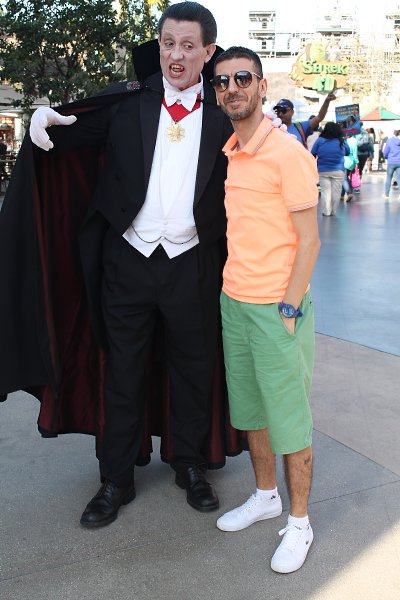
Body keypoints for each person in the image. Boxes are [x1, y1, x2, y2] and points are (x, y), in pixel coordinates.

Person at [2, 2, 249, 529]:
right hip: (129, 262)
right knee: (122, 371)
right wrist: (45, 118)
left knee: (193, 368)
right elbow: (71, 132)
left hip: (194, 263)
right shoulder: (128, 102)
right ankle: (115, 478)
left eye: (188, 46)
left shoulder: (226, 115)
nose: (176, 55)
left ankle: (189, 464)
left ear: (208, 52)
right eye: (167, 43)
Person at [210, 46, 320, 574]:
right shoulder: (233, 150)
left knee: (290, 420)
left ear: (261, 84)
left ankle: (299, 523)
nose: (232, 88)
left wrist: (290, 307)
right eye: (222, 81)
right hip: (235, 301)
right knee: (252, 411)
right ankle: (266, 496)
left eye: (242, 78)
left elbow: (310, 240)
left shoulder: (287, 152)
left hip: (277, 308)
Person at [311, 122, 350, 216]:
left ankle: (326, 211)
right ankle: (333, 210)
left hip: (323, 169)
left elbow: (313, 153)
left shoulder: (320, 140)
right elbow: (347, 152)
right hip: (338, 170)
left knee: (325, 191)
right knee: (336, 191)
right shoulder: (341, 141)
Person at [383, 130, 400, 198]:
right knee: (399, 179)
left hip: (391, 162)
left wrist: (387, 157)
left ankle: (386, 195)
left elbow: (385, 152)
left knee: (389, 178)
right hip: (399, 162)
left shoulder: (389, 140)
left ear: (393, 133)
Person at [342, 134, 359, 201]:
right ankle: (342, 195)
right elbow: (355, 154)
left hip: (344, 161)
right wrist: (356, 163)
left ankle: (349, 193)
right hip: (351, 162)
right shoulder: (354, 141)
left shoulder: (343, 141)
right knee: (345, 178)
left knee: (344, 179)